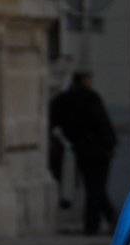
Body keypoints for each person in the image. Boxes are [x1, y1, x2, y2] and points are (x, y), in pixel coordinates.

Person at [50, 71, 117, 235]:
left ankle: (97, 222)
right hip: (98, 149)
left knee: (92, 186)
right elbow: (102, 123)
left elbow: (55, 117)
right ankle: (106, 221)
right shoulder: (90, 97)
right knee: (97, 187)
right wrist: (110, 144)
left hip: (82, 148)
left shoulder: (65, 99)